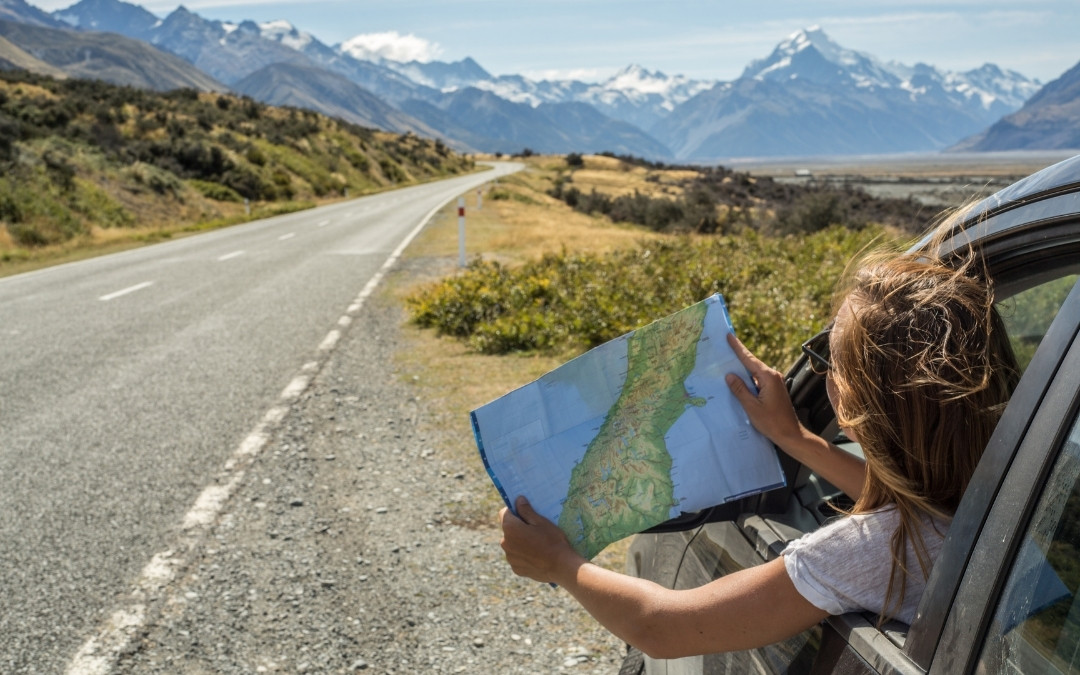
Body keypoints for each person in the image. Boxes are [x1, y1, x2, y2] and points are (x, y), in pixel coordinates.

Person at [498, 235, 1020, 659]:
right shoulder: (1008, 486)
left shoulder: (873, 551)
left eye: (828, 360)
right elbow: (920, 501)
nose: (823, 373)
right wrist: (793, 438)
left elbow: (660, 628)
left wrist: (559, 564)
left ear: (855, 399)